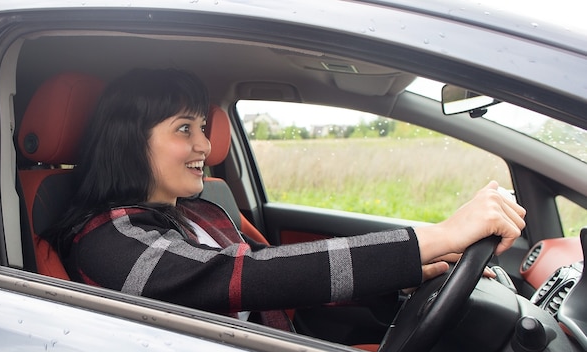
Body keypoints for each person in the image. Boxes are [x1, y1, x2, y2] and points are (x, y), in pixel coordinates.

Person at [46, 68, 526, 322]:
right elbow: (244, 279)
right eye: (184, 129)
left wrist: (402, 277)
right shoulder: (109, 237)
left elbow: (284, 274)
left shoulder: (199, 210)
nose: (204, 146)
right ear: (130, 138)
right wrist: (436, 236)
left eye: (203, 127)